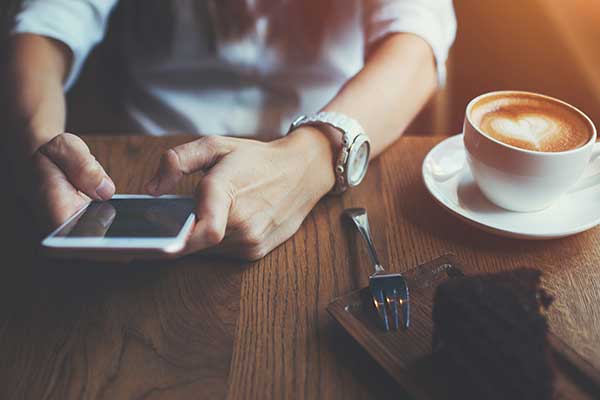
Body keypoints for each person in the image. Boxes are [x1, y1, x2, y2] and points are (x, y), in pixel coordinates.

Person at [5, 0, 456, 260]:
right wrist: (38, 138)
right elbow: (46, 21)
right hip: (143, 167)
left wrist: (313, 157)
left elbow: (416, 44)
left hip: (334, 154)